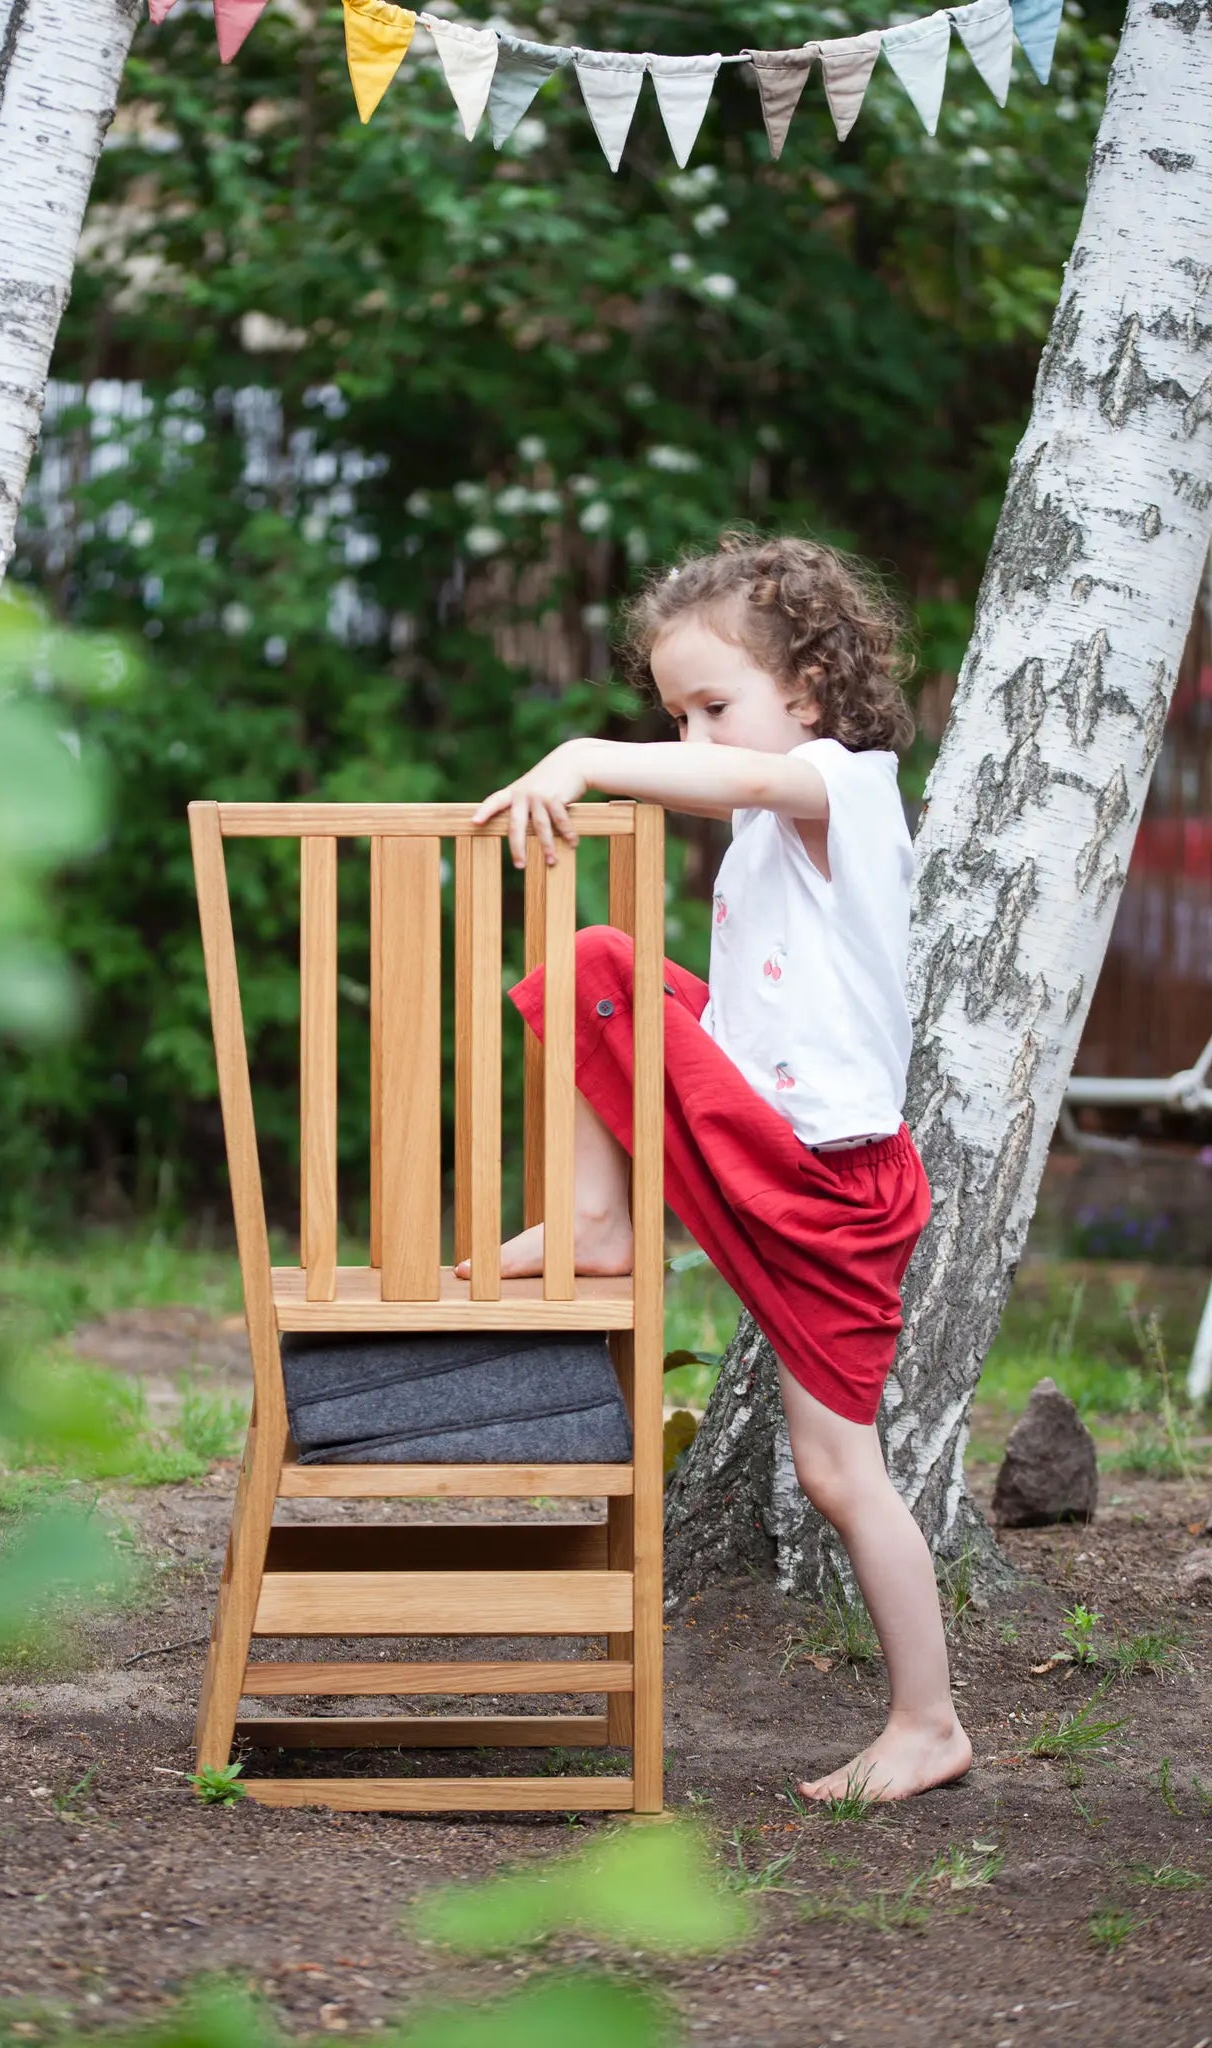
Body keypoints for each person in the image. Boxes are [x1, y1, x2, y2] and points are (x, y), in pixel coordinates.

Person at [457, 529, 971, 1805]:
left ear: (805, 686)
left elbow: (740, 786)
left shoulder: (844, 786)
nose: (691, 740)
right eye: (672, 713)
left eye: (712, 705)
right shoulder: (763, 823)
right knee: (604, 974)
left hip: (831, 1183)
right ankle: (598, 1215)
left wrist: (583, 756)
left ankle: (930, 1720)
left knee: (840, 1471)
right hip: (771, 1140)